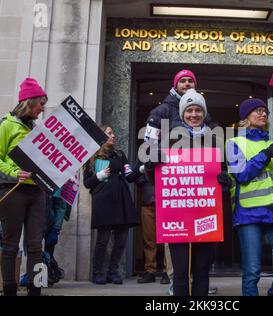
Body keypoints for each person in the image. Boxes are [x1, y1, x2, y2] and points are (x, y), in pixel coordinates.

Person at [145, 89, 231, 296]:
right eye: (189, 110)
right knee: (181, 273)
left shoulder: (214, 140)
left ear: (204, 113)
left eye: (198, 110)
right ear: (183, 113)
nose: (194, 114)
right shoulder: (169, 140)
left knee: (202, 272)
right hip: (179, 218)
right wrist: (151, 164)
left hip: (205, 215)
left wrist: (225, 182)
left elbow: (223, 173)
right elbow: (156, 178)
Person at [225, 98, 273, 296]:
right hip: (249, 213)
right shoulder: (233, 143)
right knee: (252, 272)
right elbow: (241, 174)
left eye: (265, 111)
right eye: (257, 111)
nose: (263, 114)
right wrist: (266, 154)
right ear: (246, 117)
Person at [0, 78, 48, 296]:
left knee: (35, 245)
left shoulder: (37, 129)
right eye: (41, 104)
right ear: (29, 102)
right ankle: (9, 290)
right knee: (10, 244)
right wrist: (14, 173)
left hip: (37, 191)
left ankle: (35, 290)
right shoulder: (5, 124)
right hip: (11, 190)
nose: (43, 110)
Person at [83, 126, 141, 285]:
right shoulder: (91, 157)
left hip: (121, 199)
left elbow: (129, 176)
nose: (113, 135)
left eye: (113, 133)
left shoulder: (120, 155)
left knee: (121, 238)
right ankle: (97, 272)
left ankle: (112, 272)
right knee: (103, 238)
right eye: (109, 133)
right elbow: (87, 183)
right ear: (100, 135)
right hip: (103, 200)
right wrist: (99, 176)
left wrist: (142, 168)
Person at [135, 172, 171, 284]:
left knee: (168, 239)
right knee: (148, 239)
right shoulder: (144, 156)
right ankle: (150, 271)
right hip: (148, 202)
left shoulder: (171, 156)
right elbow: (134, 175)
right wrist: (142, 175)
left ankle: (168, 272)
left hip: (167, 202)